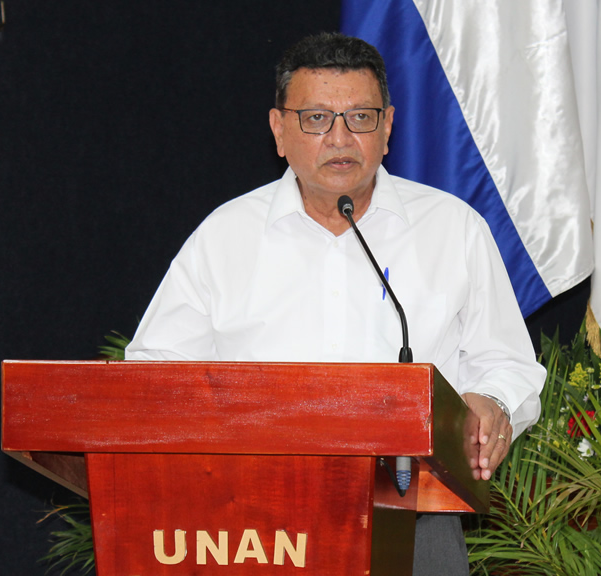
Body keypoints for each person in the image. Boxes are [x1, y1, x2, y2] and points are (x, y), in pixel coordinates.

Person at [125, 32, 546, 576]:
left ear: (388, 126)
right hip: (255, 533)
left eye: (361, 117)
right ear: (279, 130)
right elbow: (149, 382)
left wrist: (493, 403)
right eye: (317, 118)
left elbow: (509, 363)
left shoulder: (452, 229)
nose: (341, 137)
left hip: (415, 527)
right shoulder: (224, 238)